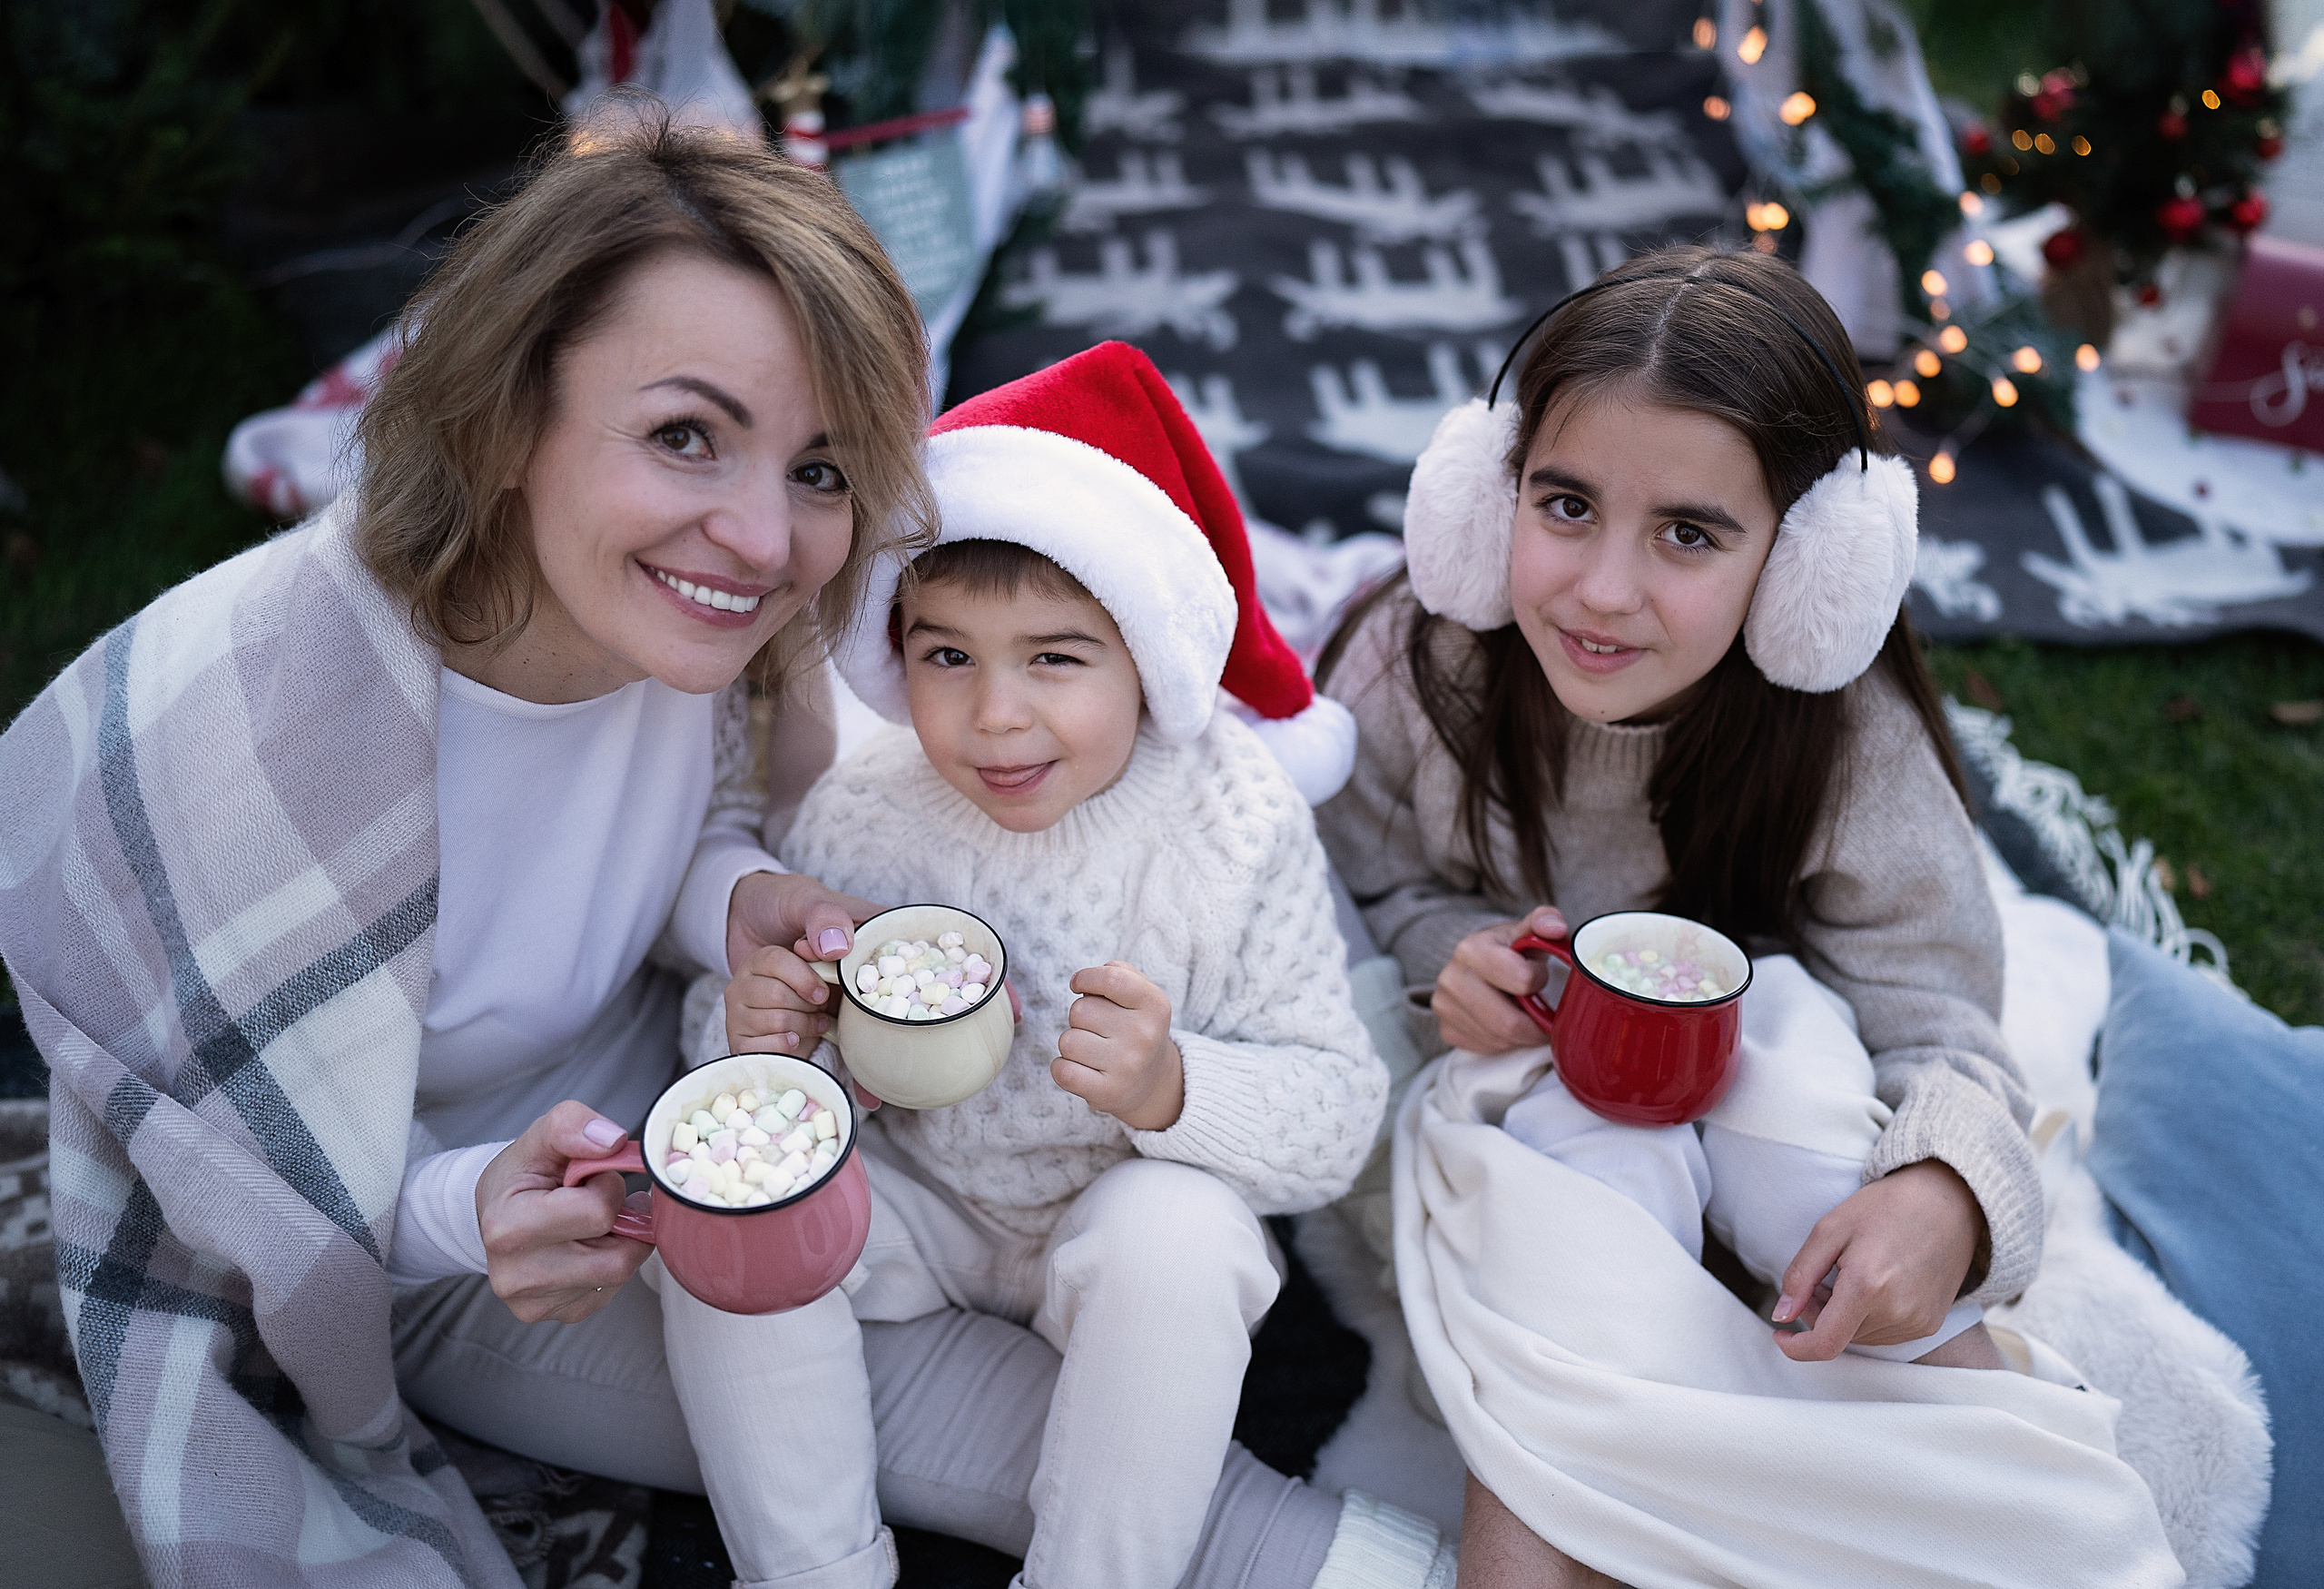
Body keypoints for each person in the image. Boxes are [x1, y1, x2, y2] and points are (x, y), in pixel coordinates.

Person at [0, 121, 1364, 1589]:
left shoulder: (711, 643)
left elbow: (674, 848)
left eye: (824, 467)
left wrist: (744, 906)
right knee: (1051, 1460)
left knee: (1142, 1369)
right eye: (685, 434)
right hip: (465, 1241)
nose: (764, 537)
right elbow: (229, 1181)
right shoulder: (254, 738)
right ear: (509, 410)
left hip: (718, 1104)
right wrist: (468, 1212)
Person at [1314, 245, 2165, 1586]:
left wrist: (1946, 1194)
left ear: (1811, 565)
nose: (1601, 588)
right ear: (1488, 497)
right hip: (1541, 1090)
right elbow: (1366, 878)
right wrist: (1444, 962)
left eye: (1690, 534)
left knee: (1807, 1085)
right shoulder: (1421, 670)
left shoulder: (1845, 739)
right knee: (1565, 1200)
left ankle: (2011, 1508)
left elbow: (1936, 1005)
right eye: (1566, 503)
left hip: (1778, 1051)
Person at [714, 342, 1439, 1589]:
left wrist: (1174, 1089)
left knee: (1186, 1231)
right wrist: (770, 1035)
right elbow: (750, 1062)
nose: (994, 714)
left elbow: (1334, 1110)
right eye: (947, 656)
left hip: (1108, 1224)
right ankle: (814, 1563)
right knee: (737, 1205)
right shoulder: (867, 809)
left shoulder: (1228, 821)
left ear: (1146, 656)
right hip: (923, 1206)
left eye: (1053, 657)